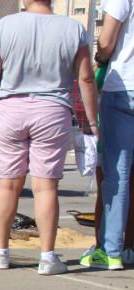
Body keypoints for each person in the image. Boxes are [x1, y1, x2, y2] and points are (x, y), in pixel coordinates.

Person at [0, 0, 99, 274]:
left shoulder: (6, 25)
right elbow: (86, 78)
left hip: (10, 108)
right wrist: (90, 121)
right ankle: (47, 257)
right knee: (45, 187)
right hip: (53, 109)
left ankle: (1, 252)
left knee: (7, 184)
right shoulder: (72, 28)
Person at [84, 0, 134, 270]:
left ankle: (110, 250)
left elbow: (106, 40)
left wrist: (100, 59)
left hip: (124, 86)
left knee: (117, 175)